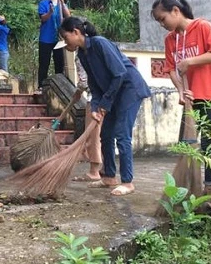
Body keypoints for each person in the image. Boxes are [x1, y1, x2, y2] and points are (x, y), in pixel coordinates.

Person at [58, 17, 151, 196]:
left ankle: (127, 182)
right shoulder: (83, 55)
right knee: (106, 135)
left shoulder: (100, 44)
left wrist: (106, 102)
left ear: (76, 32)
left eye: (65, 37)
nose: (65, 42)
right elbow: (94, 83)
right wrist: (95, 106)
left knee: (122, 135)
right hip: (113, 93)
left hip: (129, 90)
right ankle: (109, 176)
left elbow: (119, 74)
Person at [151, 0, 211, 193]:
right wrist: (180, 90)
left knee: (209, 142)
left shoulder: (203, 27)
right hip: (191, 98)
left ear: (176, 11)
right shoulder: (170, 40)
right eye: (159, 21)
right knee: (187, 143)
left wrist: (190, 61)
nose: (162, 24)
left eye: (163, 19)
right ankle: (188, 188)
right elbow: (170, 68)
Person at [37, 0, 70, 93]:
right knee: (44, 63)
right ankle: (41, 86)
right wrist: (50, 12)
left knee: (59, 63)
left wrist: (63, 3)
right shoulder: (43, 3)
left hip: (59, 38)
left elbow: (68, 17)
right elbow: (43, 18)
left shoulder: (61, 3)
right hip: (45, 38)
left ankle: (59, 86)